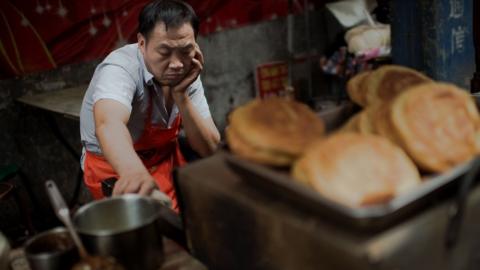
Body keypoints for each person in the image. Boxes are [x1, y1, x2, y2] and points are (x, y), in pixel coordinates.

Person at [79, 0, 220, 210]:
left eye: (185, 50)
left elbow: (210, 148)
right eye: (164, 52)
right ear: (142, 44)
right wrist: (133, 172)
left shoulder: (187, 69)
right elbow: (109, 123)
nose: (176, 64)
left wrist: (181, 95)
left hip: (164, 162)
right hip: (116, 168)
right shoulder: (120, 68)